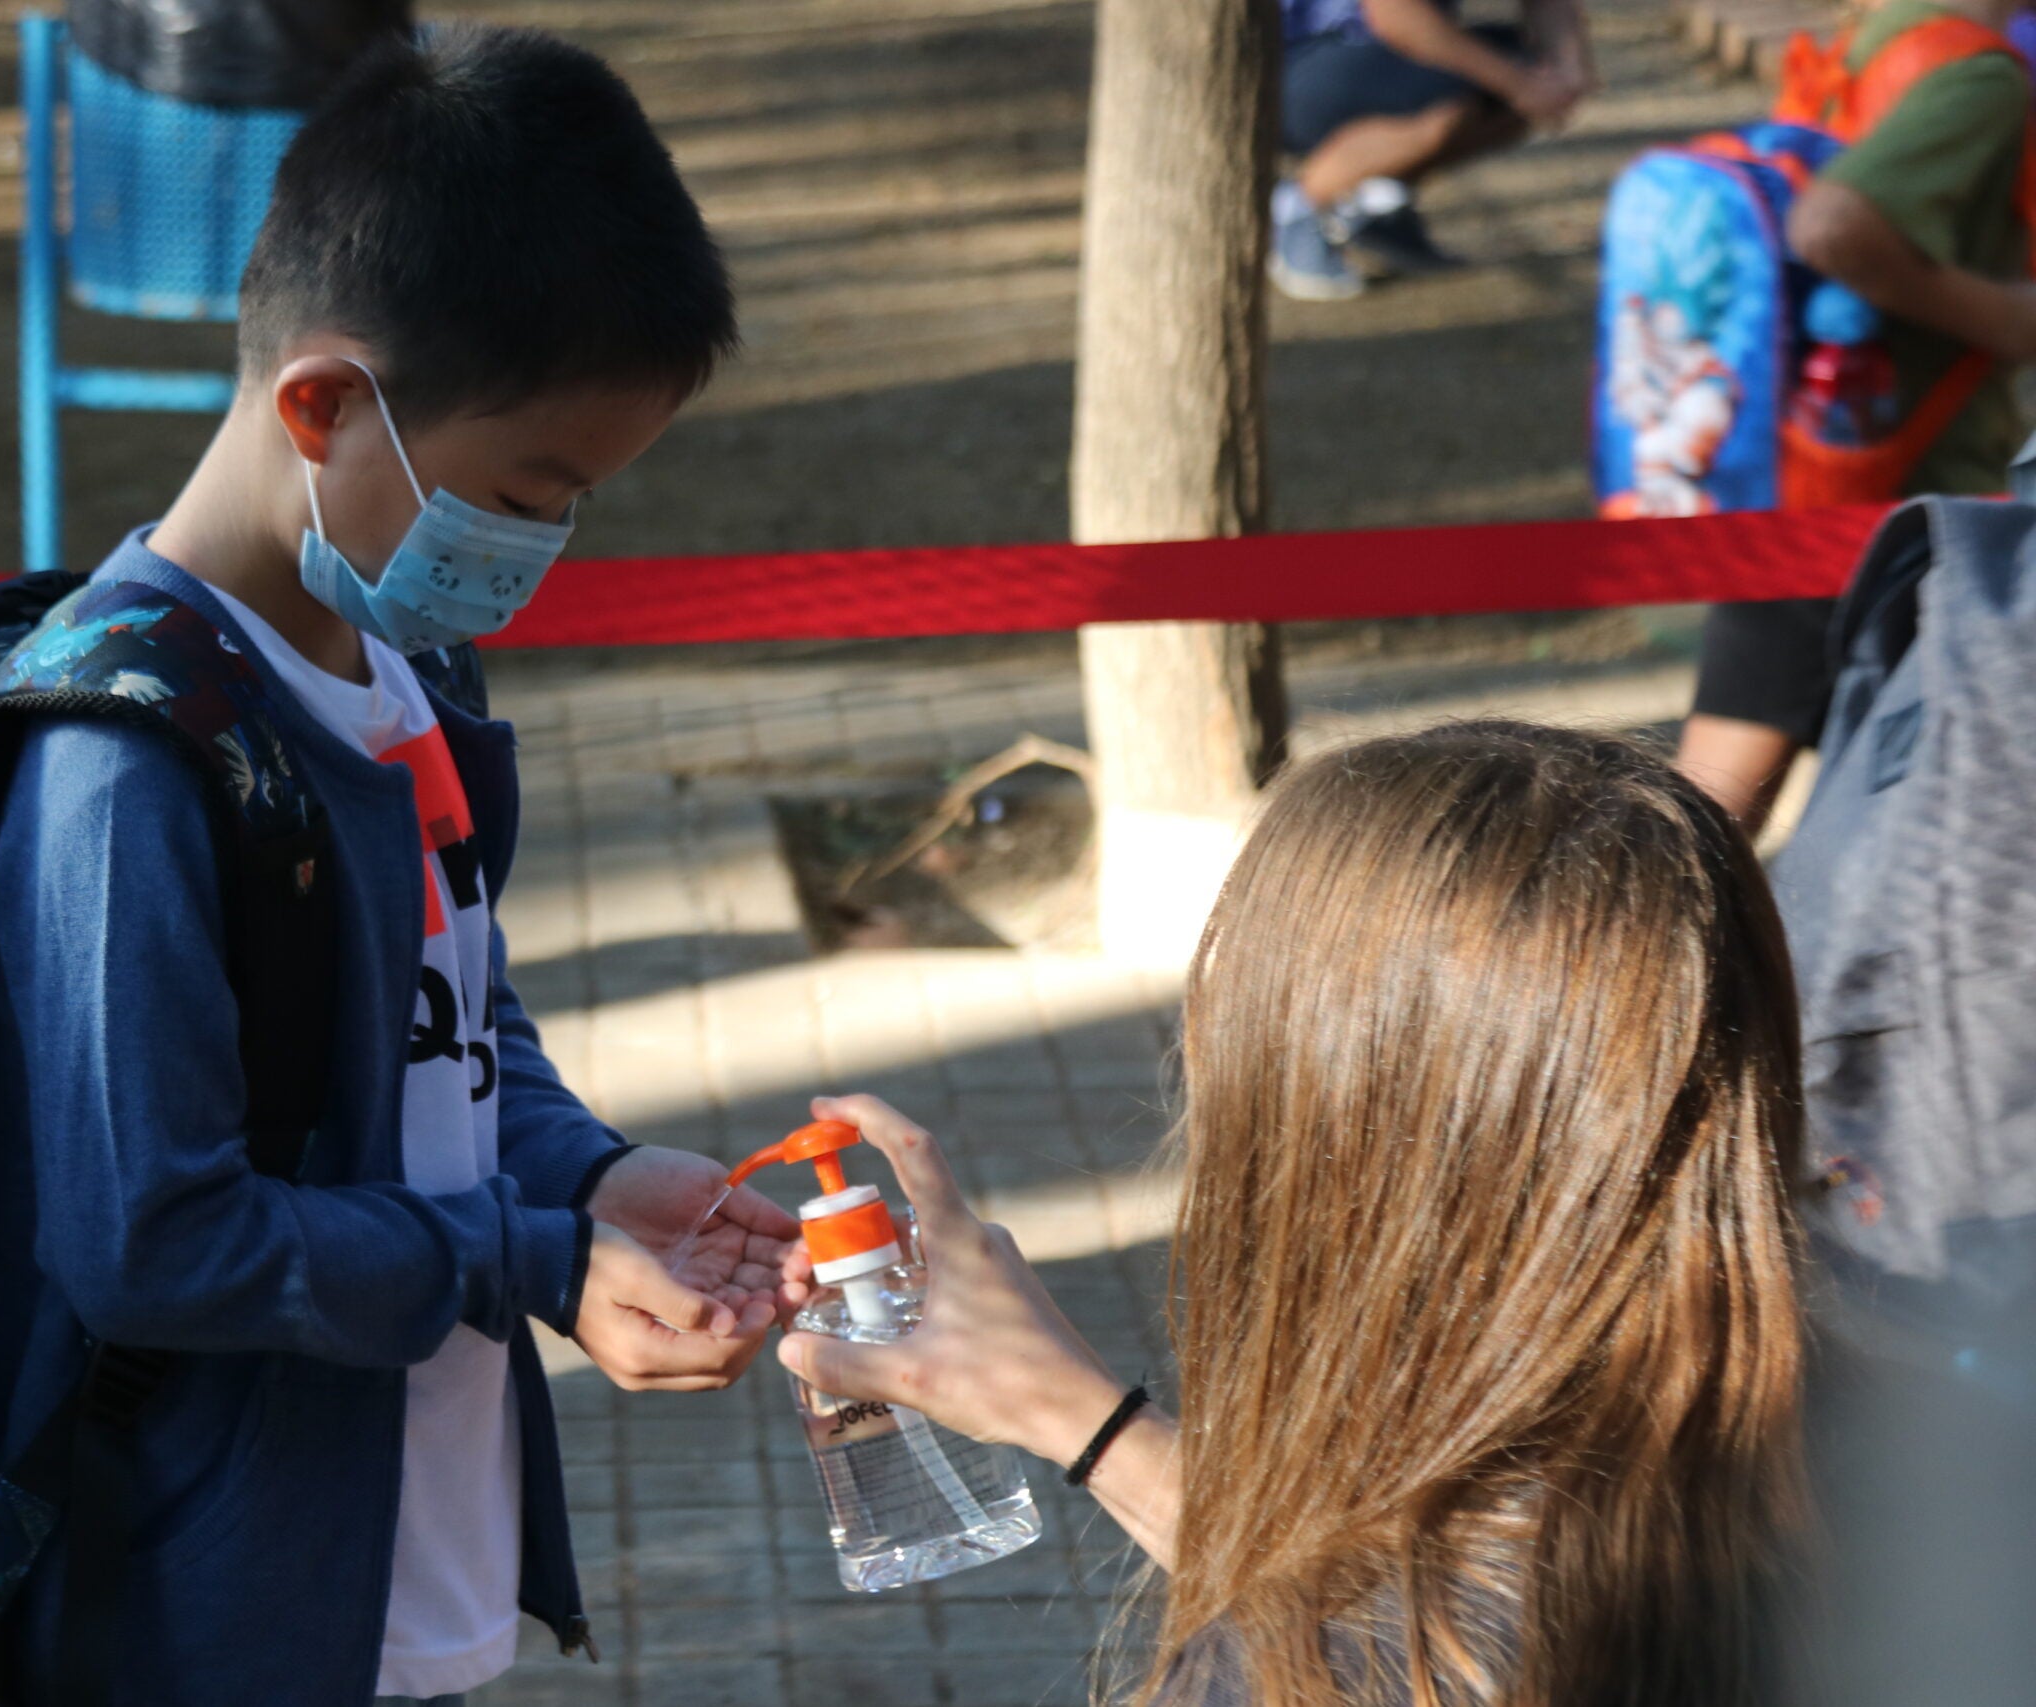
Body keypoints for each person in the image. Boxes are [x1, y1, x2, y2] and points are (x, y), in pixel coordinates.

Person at [0, 27, 799, 1707]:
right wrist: (532, 1258)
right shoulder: (121, 764)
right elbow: (153, 1236)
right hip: (200, 1599)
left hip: (387, 1547)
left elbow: (457, 1018)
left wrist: (584, 1176)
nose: (540, 548)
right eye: (522, 489)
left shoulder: (403, 670)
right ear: (324, 402)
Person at [779, 722, 1811, 1705]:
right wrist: (1080, 1419)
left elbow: (1368, 1621)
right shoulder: (1895, 1457)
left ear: (1330, 1125)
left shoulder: (1326, 1667)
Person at [1678, 0, 2034, 835]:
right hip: (1900, 503)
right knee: (1707, 835)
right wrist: (2010, 319)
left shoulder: (1877, 40)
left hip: (1807, 458)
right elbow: (1831, 225)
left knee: (1701, 820)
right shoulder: (1978, 75)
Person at [1271, 0, 1596, 300]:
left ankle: (1374, 202)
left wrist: (1567, 69)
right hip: (1294, 66)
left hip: (1370, 55)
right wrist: (1521, 85)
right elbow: (1397, 16)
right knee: (1457, 92)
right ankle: (1300, 206)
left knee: (1521, 71)